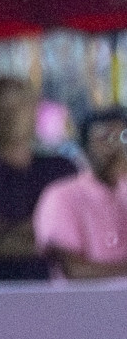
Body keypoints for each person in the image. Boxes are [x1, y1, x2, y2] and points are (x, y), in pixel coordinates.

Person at [0, 78, 76, 282]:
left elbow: (77, 232)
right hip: (4, 291)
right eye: (3, 108)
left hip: (62, 290)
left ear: (34, 112)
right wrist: (53, 231)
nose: (12, 116)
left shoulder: (61, 169)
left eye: (20, 106)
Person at [33, 107, 127, 280]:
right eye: (105, 139)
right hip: (81, 304)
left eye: (123, 138)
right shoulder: (61, 196)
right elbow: (74, 270)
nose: (116, 148)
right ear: (85, 146)